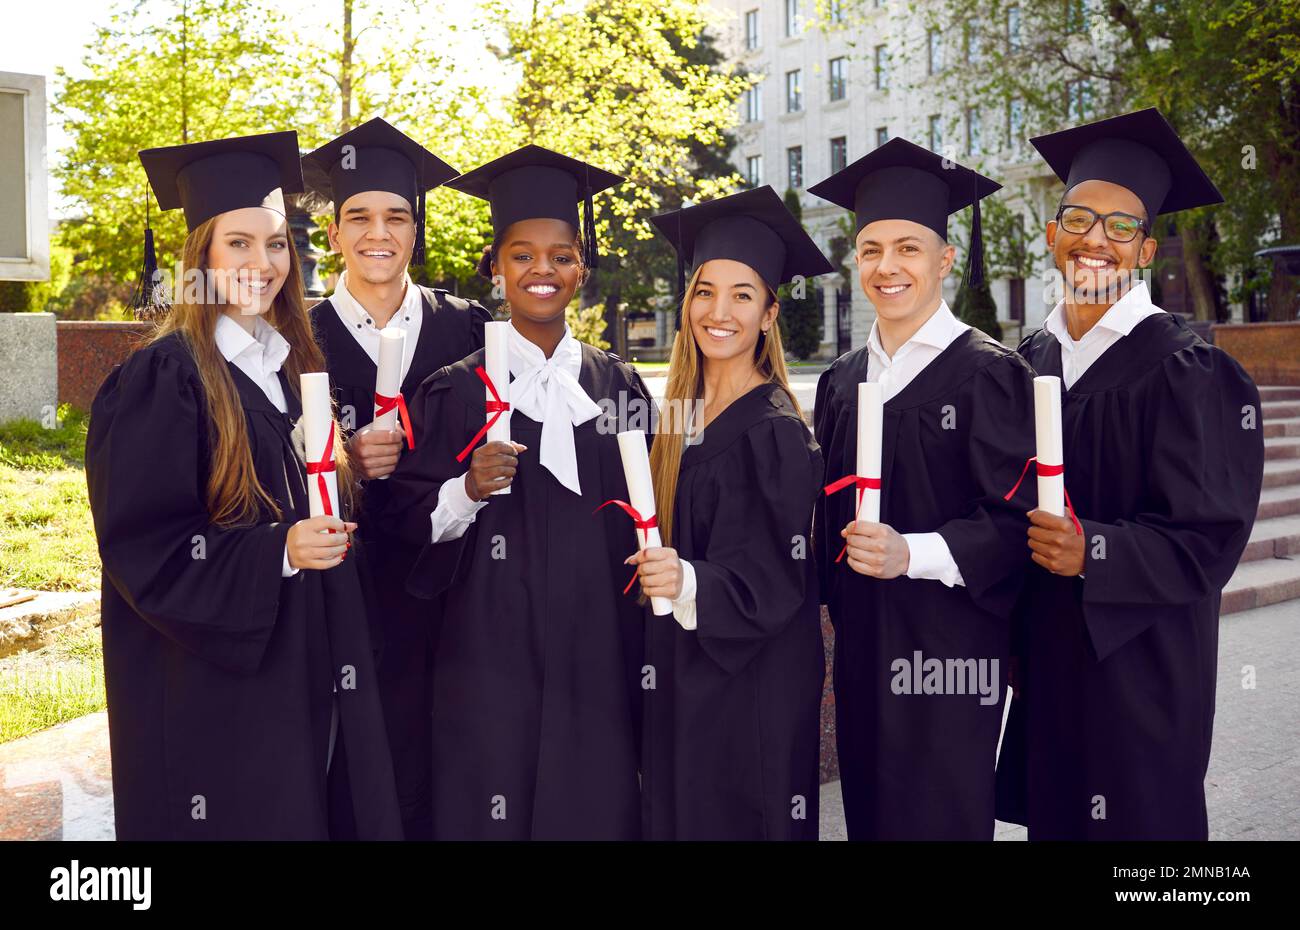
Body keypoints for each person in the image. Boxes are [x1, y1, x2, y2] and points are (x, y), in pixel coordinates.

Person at [85, 131, 401, 840]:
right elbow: (146, 549)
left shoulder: (287, 368)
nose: (264, 264)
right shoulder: (164, 377)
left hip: (298, 664)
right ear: (199, 256)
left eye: (278, 244)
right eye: (239, 244)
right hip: (211, 688)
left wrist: (346, 467)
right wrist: (279, 551)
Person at [996, 108, 1265, 840]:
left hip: (1143, 668)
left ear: (1145, 250)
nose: (1095, 240)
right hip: (1048, 663)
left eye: (1121, 227)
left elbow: (1210, 538)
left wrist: (1097, 551)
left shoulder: (1191, 371)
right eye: (1079, 217)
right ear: (1053, 234)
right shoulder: (1024, 362)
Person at [381, 145, 651, 839]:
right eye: (523, 255)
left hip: (598, 648)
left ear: (581, 271)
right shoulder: (453, 390)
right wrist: (466, 488)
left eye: (562, 256)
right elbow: (406, 525)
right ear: (495, 267)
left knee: (592, 802)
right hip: (485, 652)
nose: (543, 270)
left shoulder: (616, 385)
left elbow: (651, 512)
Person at [806, 138, 1038, 839]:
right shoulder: (842, 381)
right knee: (870, 815)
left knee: (940, 818)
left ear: (944, 259)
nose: (887, 266)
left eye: (909, 247)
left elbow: (1017, 523)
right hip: (862, 648)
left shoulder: (990, 373)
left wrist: (914, 552)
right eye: (871, 248)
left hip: (951, 653)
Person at [301, 117, 490, 839]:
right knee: (359, 777)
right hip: (344, 596)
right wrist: (342, 461)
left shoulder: (470, 329)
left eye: (397, 216)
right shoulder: (295, 338)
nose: (378, 232)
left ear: (416, 231)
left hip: (457, 593)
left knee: (451, 769)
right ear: (334, 235)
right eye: (358, 217)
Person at [633, 186, 828, 840]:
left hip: (750, 693)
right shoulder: (680, 416)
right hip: (684, 681)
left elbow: (774, 582)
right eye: (705, 291)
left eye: (742, 295)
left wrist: (685, 580)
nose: (719, 311)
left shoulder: (774, 430)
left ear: (771, 313)